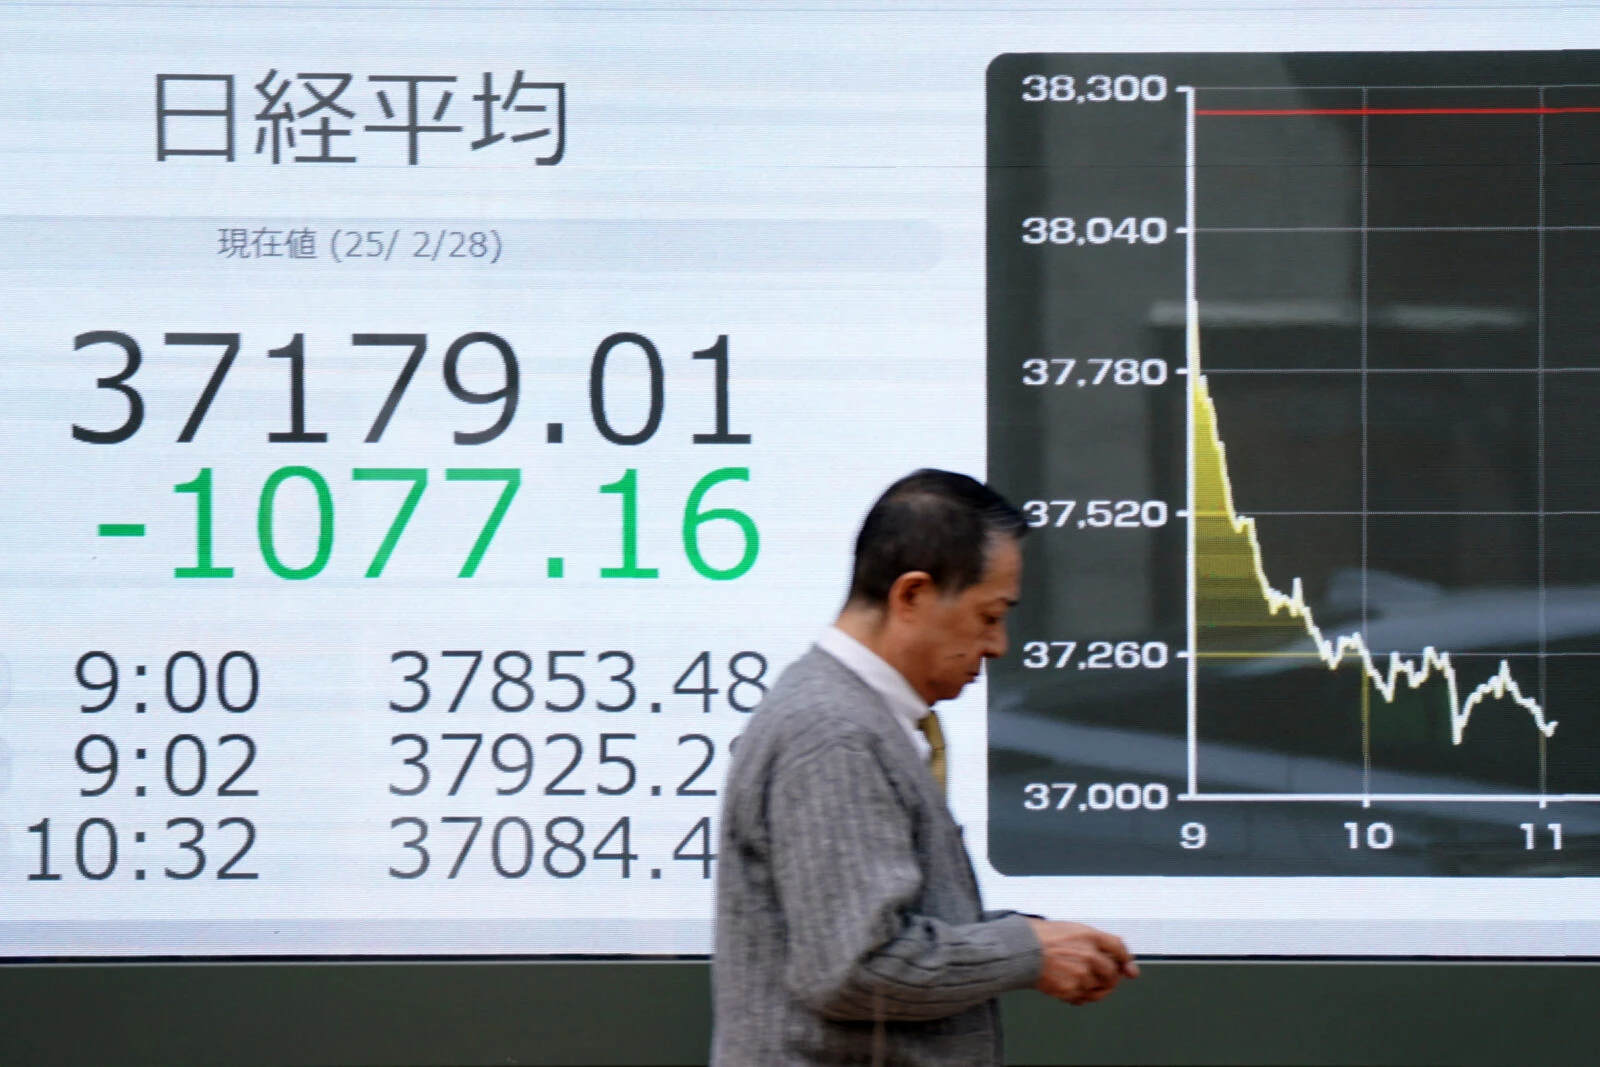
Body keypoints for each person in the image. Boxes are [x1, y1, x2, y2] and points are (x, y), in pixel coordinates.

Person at [712, 469, 1138, 1066]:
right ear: (911, 595)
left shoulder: (846, 719)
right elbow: (854, 968)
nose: (999, 645)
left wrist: (1031, 944)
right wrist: (1024, 951)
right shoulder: (835, 735)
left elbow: (874, 940)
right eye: (989, 615)